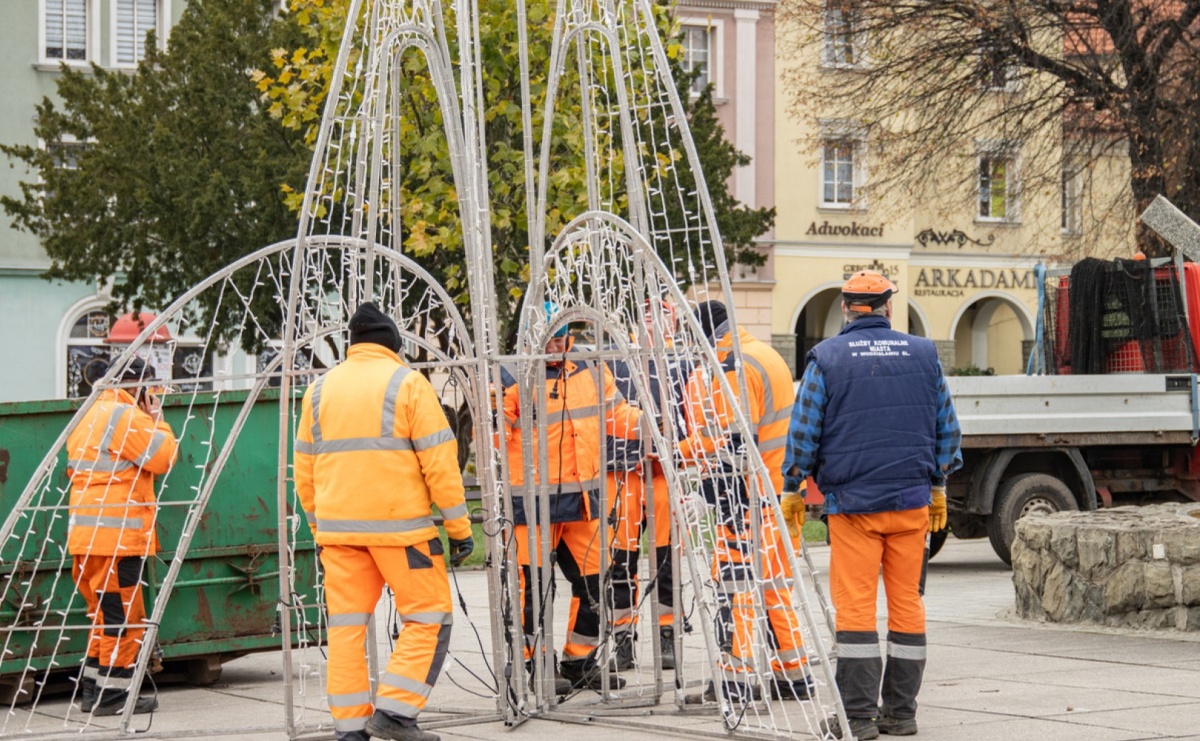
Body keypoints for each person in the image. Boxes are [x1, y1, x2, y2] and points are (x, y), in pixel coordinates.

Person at [783, 270, 961, 740]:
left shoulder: (827, 358)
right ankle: (901, 714)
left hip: (855, 507)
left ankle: (858, 719)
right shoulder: (925, 355)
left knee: (857, 609)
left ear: (846, 307)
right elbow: (947, 427)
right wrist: (938, 484)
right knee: (907, 605)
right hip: (911, 504)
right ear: (887, 307)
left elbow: (804, 430)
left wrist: (793, 485)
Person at [294, 302, 474, 741]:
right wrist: (459, 529)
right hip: (402, 534)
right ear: (393, 344)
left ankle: (351, 729)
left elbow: (304, 471)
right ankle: (394, 712)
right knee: (430, 618)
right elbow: (441, 464)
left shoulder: (318, 391)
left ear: (353, 345)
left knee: (346, 630)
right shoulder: (408, 384)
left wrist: (321, 530)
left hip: (340, 536)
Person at [501, 302, 642, 691]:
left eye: (562, 337)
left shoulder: (590, 366)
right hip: (530, 506)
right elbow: (494, 437)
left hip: (583, 500)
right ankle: (531, 667)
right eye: (549, 338)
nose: (556, 345)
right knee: (531, 589)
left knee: (596, 582)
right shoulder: (512, 373)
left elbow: (616, 414)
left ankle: (579, 662)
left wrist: (647, 425)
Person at [678, 300, 812, 702]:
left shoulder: (731, 367)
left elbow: (735, 446)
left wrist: (704, 494)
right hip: (779, 495)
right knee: (774, 588)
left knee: (736, 591)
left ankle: (733, 685)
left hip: (746, 499)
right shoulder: (763, 353)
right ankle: (793, 677)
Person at [67, 356, 178, 716]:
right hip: (116, 539)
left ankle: (93, 691)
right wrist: (158, 421)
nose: (153, 395)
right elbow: (162, 458)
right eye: (150, 388)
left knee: (104, 617)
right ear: (136, 386)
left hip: (88, 538)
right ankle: (113, 697)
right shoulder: (125, 415)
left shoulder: (89, 413)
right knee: (125, 618)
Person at [606, 299, 691, 671]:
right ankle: (623, 636)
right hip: (622, 473)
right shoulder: (615, 360)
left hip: (662, 474)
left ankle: (666, 633)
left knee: (666, 560)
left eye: (664, 315)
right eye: (647, 314)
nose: (655, 322)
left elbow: (694, 418)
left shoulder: (684, 364)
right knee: (620, 560)